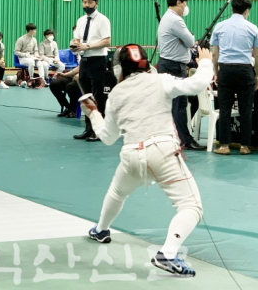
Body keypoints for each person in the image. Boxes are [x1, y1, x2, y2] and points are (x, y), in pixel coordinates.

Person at [82, 44, 213, 277]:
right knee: (191, 207)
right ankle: (168, 253)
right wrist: (204, 62)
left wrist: (93, 113)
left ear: (119, 68)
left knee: (117, 192)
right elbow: (197, 84)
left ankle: (101, 230)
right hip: (162, 152)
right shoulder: (161, 80)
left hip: (131, 154)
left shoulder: (115, 95)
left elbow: (108, 138)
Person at [211, 0, 258, 156]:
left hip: (226, 69)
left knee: (224, 109)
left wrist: (217, 72)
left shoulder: (220, 26)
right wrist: (257, 75)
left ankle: (224, 145)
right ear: (247, 10)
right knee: (246, 110)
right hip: (245, 70)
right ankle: (245, 146)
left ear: (232, 8)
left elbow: (215, 54)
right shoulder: (252, 28)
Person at [157, 0, 206, 151]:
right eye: (185, 3)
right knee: (179, 104)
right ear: (179, 2)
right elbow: (190, 41)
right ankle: (185, 139)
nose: (186, 7)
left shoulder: (166, 18)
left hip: (166, 64)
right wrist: (188, 38)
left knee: (172, 104)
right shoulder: (175, 20)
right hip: (174, 66)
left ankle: (173, 136)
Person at [72, 0, 111, 142]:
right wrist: (75, 45)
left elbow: (107, 41)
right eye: (84, 2)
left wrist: (87, 46)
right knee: (85, 96)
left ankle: (99, 131)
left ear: (96, 3)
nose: (86, 5)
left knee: (98, 96)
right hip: (84, 61)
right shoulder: (81, 20)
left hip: (97, 60)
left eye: (89, 2)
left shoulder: (103, 20)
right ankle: (88, 129)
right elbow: (77, 39)